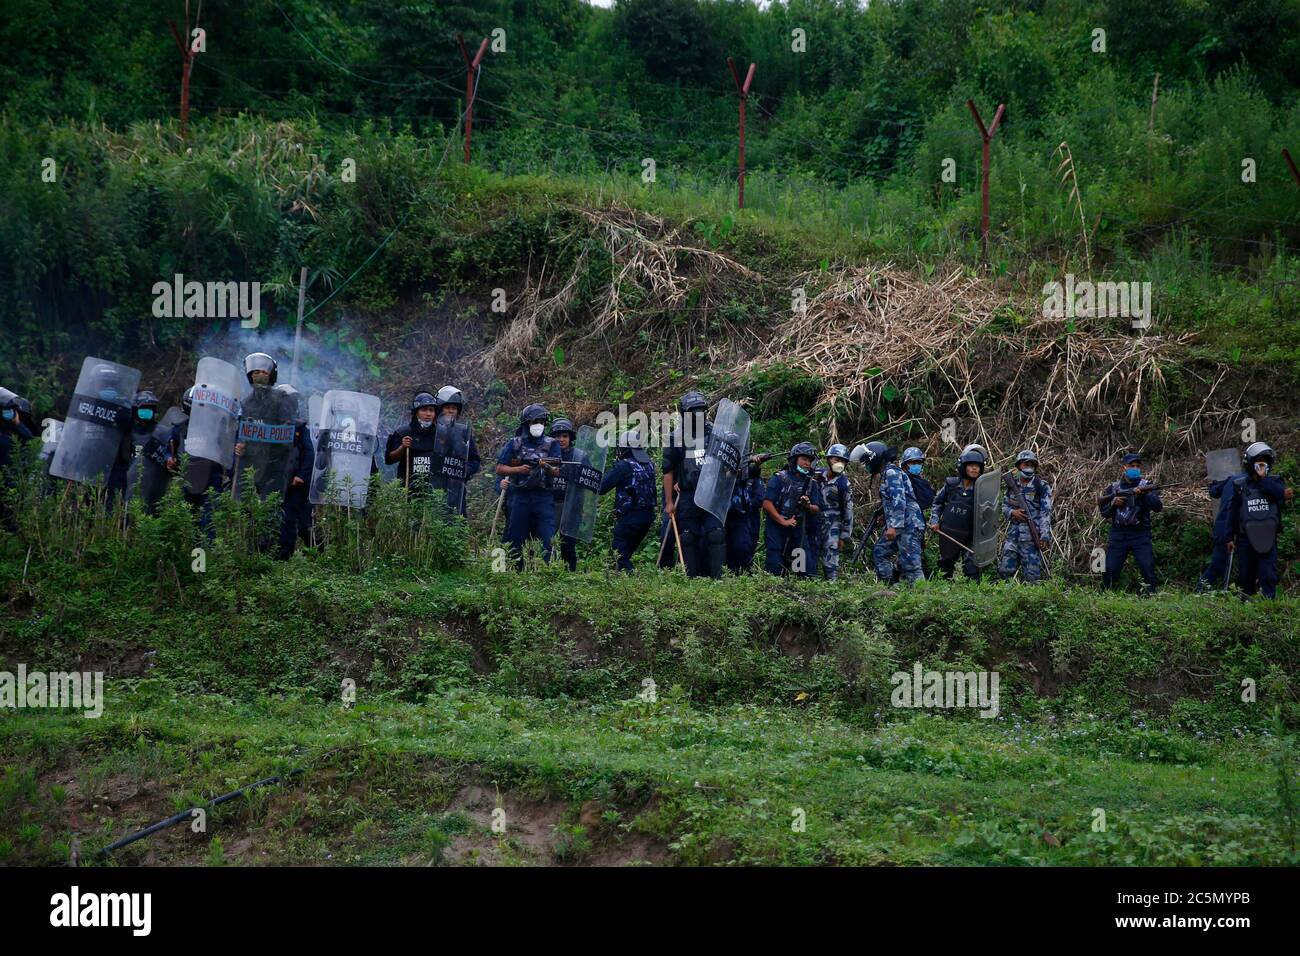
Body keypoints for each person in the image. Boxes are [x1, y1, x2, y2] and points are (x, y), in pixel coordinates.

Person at [662, 392, 726, 579]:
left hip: (712, 495)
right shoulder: (676, 438)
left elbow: (725, 464)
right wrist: (668, 502)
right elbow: (668, 471)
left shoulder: (715, 433)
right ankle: (692, 580)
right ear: (684, 414)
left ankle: (719, 580)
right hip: (688, 495)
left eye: (700, 412)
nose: (697, 416)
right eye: (692, 412)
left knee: (716, 534)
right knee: (688, 536)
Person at [496, 403, 563, 567]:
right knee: (515, 538)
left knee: (548, 538)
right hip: (520, 497)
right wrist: (518, 469)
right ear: (527, 424)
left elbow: (557, 471)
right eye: (534, 421)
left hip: (543, 497)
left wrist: (544, 465)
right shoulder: (515, 443)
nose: (538, 425)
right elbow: (499, 468)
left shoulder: (552, 444)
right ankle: (514, 573)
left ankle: (547, 572)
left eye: (541, 421)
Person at [853, 441, 924, 585]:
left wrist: (893, 526)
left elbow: (899, 501)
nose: (866, 466)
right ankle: (891, 589)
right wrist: (885, 517)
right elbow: (892, 502)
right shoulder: (888, 473)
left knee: (912, 566)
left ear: (875, 458)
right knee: (880, 552)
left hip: (908, 525)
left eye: (867, 462)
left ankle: (922, 598)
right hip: (901, 525)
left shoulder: (892, 473)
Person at [1227, 442, 1291, 598]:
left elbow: (1280, 495)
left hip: (1268, 537)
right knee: (1245, 575)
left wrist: (1263, 479)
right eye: (1258, 462)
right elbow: (1233, 512)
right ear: (1250, 464)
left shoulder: (1274, 482)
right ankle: (1246, 606)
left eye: (1265, 462)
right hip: (1245, 538)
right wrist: (1229, 537)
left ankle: (1268, 605)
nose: (1262, 465)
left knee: (1268, 574)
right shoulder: (1240, 485)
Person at [1098, 452, 1163, 593]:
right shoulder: (1114, 488)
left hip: (1140, 533)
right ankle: (1105, 596)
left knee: (1147, 567)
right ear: (1124, 468)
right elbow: (1104, 513)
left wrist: (1144, 495)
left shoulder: (1146, 485)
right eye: (1131, 466)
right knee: (1110, 569)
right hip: (1119, 533)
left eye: (1137, 466)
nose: (1135, 468)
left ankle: (1151, 596)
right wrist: (1114, 503)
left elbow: (1158, 507)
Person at [599, 430, 658, 572]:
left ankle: (634, 585)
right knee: (625, 555)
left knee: (618, 557)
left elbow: (601, 488)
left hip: (630, 517)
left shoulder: (623, 466)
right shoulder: (649, 464)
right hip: (648, 517)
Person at [762, 442, 823, 576]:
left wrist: (808, 506)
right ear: (795, 460)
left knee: (803, 569)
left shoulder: (811, 483)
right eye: (804, 459)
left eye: (810, 461)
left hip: (798, 528)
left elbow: (816, 508)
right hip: (776, 527)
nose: (807, 463)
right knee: (775, 566)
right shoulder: (779, 478)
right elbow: (767, 503)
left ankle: (798, 589)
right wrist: (783, 521)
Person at [929, 448, 985, 580]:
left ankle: (973, 597)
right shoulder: (951, 485)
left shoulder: (982, 489)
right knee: (945, 567)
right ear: (963, 467)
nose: (974, 469)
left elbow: (988, 513)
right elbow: (937, 503)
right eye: (971, 465)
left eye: (977, 466)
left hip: (970, 535)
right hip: (949, 532)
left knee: (972, 568)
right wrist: (934, 521)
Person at [1000, 449, 1053, 584]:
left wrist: (1044, 536)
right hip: (1013, 536)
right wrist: (1012, 513)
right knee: (1005, 572)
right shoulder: (1012, 485)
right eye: (1025, 464)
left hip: (1031, 537)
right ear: (1019, 466)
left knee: (1032, 576)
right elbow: (1004, 506)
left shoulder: (1041, 486)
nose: (1028, 467)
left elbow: (1045, 512)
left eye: (1031, 465)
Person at [429, 385, 480, 516]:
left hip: (456, 487)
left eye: (454, 408)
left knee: (456, 522)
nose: (451, 411)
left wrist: (464, 471)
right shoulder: (431, 430)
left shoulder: (463, 432)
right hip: (432, 484)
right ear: (440, 409)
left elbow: (474, 460)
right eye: (447, 407)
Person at [278, 384, 316, 558]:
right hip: (274, 482)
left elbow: (309, 454)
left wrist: (301, 475)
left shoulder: (300, 428)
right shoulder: (269, 424)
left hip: (296, 483)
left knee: (290, 519)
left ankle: (285, 556)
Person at [1197, 462, 1241, 592]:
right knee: (1221, 565)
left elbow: (1214, 491)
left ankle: (1200, 591)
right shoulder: (1256, 483)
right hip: (1234, 528)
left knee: (1218, 565)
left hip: (1223, 527)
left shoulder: (1232, 480)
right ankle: (1201, 591)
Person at [385, 389, 439, 494]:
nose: (428, 414)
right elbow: (389, 460)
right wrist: (402, 447)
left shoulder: (440, 435)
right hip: (407, 491)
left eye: (431, 410)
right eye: (424, 410)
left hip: (433, 492)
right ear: (415, 413)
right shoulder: (403, 432)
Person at [725, 453, 768, 574]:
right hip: (724, 516)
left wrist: (756, 463)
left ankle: (742, 574)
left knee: (742, 548)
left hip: (745, 517)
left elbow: (759, 499)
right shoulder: (722, 475)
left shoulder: (751, 477)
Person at [817, 444, 854, 581]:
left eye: (843, 460)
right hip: (814, 521)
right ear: (828, 459)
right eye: (835, 459)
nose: (839, 463)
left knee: (831, 557)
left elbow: (848, 510)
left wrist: (844, 535)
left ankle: (832, 586)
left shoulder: (844, 484)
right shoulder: (817, 475)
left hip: (833, 524)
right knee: (809, 554)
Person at [550, 418, 580, 571]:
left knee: (568, 545)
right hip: (549, 504)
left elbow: (586, 482)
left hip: (570, 505)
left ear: (570, 438)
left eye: (564, 436)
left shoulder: (578, 456)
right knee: (543, 541)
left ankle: (569, 575)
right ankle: (541, 573)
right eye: (557, 436)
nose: (561, 439)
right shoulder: (545, 453)